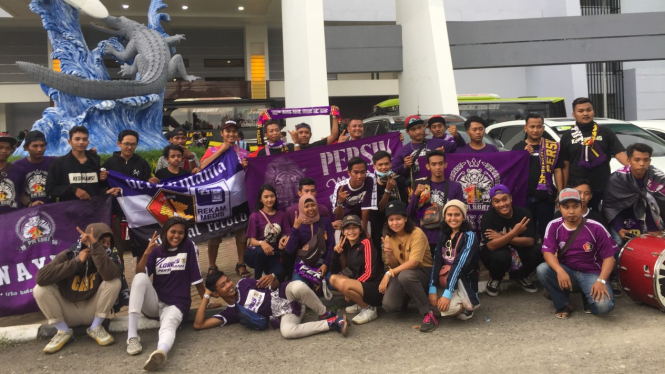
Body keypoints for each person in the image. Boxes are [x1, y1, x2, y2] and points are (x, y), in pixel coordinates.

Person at [125, 217, 209, 371]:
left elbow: (196, 277)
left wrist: (205, 300)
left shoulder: (188, 246)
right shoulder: (156, 251)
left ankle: (161, 352)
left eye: (181, 233)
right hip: (155, 302)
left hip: (177, 303)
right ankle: (132, 337)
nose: (177, 236)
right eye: (173, 232)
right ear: (165, 232)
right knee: (139, 278)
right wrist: (146, 253)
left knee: (169, 325)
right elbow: (140, 273)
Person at [34, 224, 123, 353]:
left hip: (93, 311)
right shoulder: (69, 254)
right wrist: (76, 262)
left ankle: (96, 327)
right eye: (101, 241)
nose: (106, 246)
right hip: (68, 312)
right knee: (40, 289)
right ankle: (63, 331)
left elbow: (110, 275)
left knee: (114, 282)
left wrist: (96, 249)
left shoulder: (109, 258)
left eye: (108, 243)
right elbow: (41, 277)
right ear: (85, 241)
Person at [537, 189, 618, 318]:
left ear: (582, 206)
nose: (571, 211)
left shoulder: (596, 227)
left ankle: (588, 295)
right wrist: (559, 270)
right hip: (567, 271)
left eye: (575, 206)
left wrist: (601, 281)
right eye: (566, 207)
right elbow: (548, 252)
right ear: (559, 208)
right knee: (543, 269)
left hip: (592, 273)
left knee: (604, 307)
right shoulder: (553, 225)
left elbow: (609, 257)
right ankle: (564, 303)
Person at [194, 270, 348, 338]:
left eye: (227, 280)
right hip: (286, 314)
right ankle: (333, 322)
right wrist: (206, 294)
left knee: (298, 285)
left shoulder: (243, 284)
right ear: (216, 293)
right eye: (223, 286)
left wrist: (272, 278)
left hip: (286, 293)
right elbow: (199, 324)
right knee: (287, 332)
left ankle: (325, 314)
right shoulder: (231, 312)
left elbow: (274, 285)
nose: (229, 285)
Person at [200, 120, 251, 277]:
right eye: (227, 131)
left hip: (239, 199)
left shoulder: (244, 153)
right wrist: (221, 151)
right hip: (218, 201)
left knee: (241, 234)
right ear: (222, 133)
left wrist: (247, 165)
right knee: (214, 234)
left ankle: (241, 263)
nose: (231, 134)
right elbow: (202, 167)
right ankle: (212, 265)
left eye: (234, 131)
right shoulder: (213, 149)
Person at [559, 97, 628, 211]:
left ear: (593, 111)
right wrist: (563, 190)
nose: (585, 113)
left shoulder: (606, 132)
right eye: (581, 111)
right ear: (574, 114)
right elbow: (565, 165)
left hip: (602, 187)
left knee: (602, 220)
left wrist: (634, 168)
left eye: (588, 110)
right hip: (577, 190)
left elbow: (620, 154)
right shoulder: (567, 136)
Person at [101, 130, 158, 258]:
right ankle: (120, 276)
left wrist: (150, 181)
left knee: (142, 246)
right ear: (119, 144)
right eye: (126, 144)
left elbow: (146, 186)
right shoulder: (109, 164)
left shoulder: (142, 163)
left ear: (137, 145)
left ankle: (142, 275)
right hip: (117, 212)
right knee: (117, 247)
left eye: (133, 144)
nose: (129, 147)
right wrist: (106, 189)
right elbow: (101, 187)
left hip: (138, 212)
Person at [425, 200, 480, 332]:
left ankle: (468, 305)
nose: (453, 218)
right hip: (446, 277)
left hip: (463, 279)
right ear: (445, 217)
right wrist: (432, 289)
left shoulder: (470, 236)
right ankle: (451, 297)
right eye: (449, 215)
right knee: (431, 303)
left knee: (448, 309)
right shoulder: (444, 234)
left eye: (457, 215)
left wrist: (448, 293)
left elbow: (460, 264)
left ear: (463, 217)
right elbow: (437, 260)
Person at [379, 201, 435, 331]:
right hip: (404, 274)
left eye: (398, 218)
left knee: (405, 276)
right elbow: (394, 264)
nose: (395, 222)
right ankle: (410, 298)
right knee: (390, 306)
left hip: (423, 271)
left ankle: (429, 313)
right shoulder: (389, 237)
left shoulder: (417, 233)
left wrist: (389, 273)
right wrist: (390, 254)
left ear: (405, 218)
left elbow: (414, 262)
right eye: (391, 219)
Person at [480, 184, 542, 296]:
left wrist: (502, 237)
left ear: (511, 198)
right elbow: (491, 246)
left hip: (520, 251)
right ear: (492, 203)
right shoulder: (488, 217)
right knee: (502, 256)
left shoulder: (524, 214)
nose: (502, 204)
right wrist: (514, 233)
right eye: (497, 201)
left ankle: (521, 276)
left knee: (539, 250)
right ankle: (496, 278)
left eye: (505, 199)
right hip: (499, 252)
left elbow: (530, 241)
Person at [511, 113, 564, 239]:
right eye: (532, 126)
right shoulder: (518, 147)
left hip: (545, 196)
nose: (535, 130)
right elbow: (513, 171)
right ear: (526, 128)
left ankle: (545, 256)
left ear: (543, 128)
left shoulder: (553, 147)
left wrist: (561, 193)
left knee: (546, 230)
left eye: (539, 127)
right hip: (524, 195)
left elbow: (557, 171)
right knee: (527, 231)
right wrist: (523, 155)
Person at [604, 143, 665, 241]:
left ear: (650, 161)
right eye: (637, 160)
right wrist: (619, 229)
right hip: (623, 220)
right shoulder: (618, 178)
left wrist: (654, 228)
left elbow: (661, 204)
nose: (641, 164)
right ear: (628, 160)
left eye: (645, 160)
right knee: (617, 243)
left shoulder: (658, 177)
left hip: (652, 222)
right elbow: (611, 207)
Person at [330, 215, 384, 325]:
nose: (351, 231)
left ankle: (369, 309)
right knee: (333, 279)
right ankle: (361, 303)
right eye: (347, 228)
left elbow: (370, 272)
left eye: (354, 227)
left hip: (374, 286)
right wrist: (336, 253)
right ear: (343, 231)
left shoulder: (366, 243)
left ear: (360, 230)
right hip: (362, 285)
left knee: (344, 284)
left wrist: (350, 286)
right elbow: (334, 271)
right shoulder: (345, 246)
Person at [407, 150, 464, 250]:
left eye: (440, 163)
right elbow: (409, 213)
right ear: (428, 166)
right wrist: (415, 195)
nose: (438, 167)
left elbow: (461, 214)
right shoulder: (420, 185)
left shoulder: (455, 187)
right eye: (433, 164)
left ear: (445, 165)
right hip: (424, 237)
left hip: (447, 236)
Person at [46, 126, 117, 202]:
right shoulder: (59, 163)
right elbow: (50, 189)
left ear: (88, 142)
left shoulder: (94, 161)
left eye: (84, 139)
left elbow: (97, 187)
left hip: (94, 209)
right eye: (77, 139)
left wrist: (105, 190)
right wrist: (73, 190)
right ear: (69, 142)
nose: (81, 142)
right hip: (69, 211)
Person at [285, 195, 335, 289]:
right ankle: (315, 285)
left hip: (321, 265)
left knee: (333, 284)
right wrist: (295, 229)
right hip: (303, 267)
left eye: (313, 205)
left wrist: (325, 264)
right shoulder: (298, 225)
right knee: (298, 287)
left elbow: (331, 245)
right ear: (301, 207)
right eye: (306, 206)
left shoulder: (325, 221)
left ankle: (318, 285)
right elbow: (290, 250)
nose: (310, 208)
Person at [245, 184, 291, 282]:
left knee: (280, 273)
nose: (269, 199)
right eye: (266, 197)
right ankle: (256, 281)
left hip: (272, 254)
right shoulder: (255, 216)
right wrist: (262, 243)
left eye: (272, 196)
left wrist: (284, 238)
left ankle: (266, 274)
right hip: (254, 253)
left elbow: (288, 233)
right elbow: (252, 241)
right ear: (261, 199)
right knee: (262, 252)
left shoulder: (281, 215)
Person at [392, 115, 456, 184]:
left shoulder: (438, 143)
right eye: (413, 129)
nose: (418, 132)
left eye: (420, 127)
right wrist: (405, 165)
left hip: (439, 187)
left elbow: (460, 148)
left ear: (424, 127)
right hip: (417, 190)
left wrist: (456, 135)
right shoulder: (404, 150)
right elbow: (394, 169)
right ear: (407, 132)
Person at [369, 151, 409, 262]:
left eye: (386, 164)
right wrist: (387, 191)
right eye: (380, 165)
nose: (384, 167)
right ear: (374, 166)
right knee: (380, 245)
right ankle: (381, 270)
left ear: (391, 164)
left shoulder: (398, 180)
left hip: (397, 218)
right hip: (379, 220)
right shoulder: (372, 183)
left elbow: (404, 203)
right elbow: (379, 209)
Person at [331, 157, 377, 233]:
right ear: (349, 172)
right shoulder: (340, 186)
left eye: (363, 172)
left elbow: (366, 207)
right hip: (346, 220)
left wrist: (364, 231)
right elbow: (339, 217)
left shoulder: (370, 179)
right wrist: (339, 203)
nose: (360, 176)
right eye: (355, 172)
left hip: (363, 219)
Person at [14, 130, 55, 207]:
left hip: (51, 210)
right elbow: (17, 191)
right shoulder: (17, 165)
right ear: (26, 147)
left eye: (42, 145)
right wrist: (30, 204)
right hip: (27, 212)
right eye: (35, 146)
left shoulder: (54, 162)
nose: (39, 149)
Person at [0, 132, 26, 213]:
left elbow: (21, 194)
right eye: (0, 147)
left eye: (8, 148)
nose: (4, 151)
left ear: (12, 150)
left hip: (13, 219)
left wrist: (30, 204)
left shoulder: (19, 170)